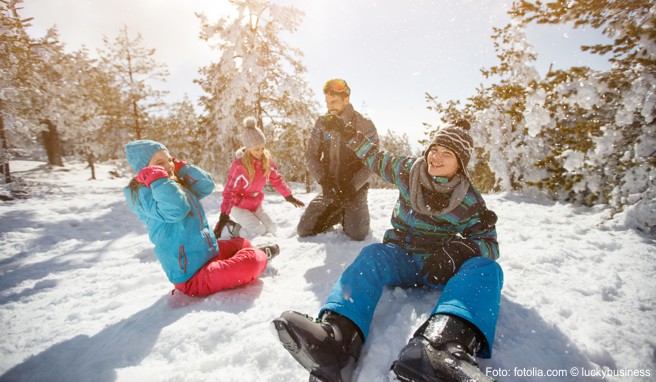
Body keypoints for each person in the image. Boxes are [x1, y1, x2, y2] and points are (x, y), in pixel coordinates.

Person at [273, 119, 502, 382]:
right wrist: (350, 133)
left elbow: (490, 245)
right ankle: (337, 340)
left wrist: (459, 251)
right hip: (399, 256)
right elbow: (374, 157)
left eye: (446, 153)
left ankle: (442, 347)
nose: (436, 157)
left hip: (437, 266)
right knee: (371, 255)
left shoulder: (469, 199)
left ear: (460, 163)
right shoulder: (408, 171)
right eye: (434, 150)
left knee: (488, 269)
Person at [123, 139, 279, 297]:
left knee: (243, 243)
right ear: (145, 170)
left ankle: (242, 258)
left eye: (169, 159)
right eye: (159, 162)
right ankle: (259, 256)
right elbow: (176, 210)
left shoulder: (173, 183)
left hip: (208, 252)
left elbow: (206, 185)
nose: (169, 165)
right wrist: (158, 180)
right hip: (192, 275)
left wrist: (181, 167)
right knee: (252, 261)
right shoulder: (144, 194)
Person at [296, 78, 379, 241]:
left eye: (333, 102)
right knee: (304, 229)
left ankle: (351, 211)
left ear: (346, 99)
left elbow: (371, 161)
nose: (329, 106)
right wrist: (324, 180)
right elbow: (311, 155)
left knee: (357, 234)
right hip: (330, 186)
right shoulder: (321, 123)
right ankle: (337, 210)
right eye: (327, 102)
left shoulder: (364, 124)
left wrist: (353, 187)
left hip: (354, 189)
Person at [214, 117, 305, 239]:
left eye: (262, 148)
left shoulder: (266, 160)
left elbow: (276, 179)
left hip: (254, 204)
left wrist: (288, 196)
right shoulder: (238, 166)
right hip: (238, 205)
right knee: (259, 231)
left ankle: (250, 226)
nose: (260, 152)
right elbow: (230, 192)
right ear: (248, 148)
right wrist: (224, 216)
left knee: (272, 228)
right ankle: (233, 228)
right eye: (256, 149)